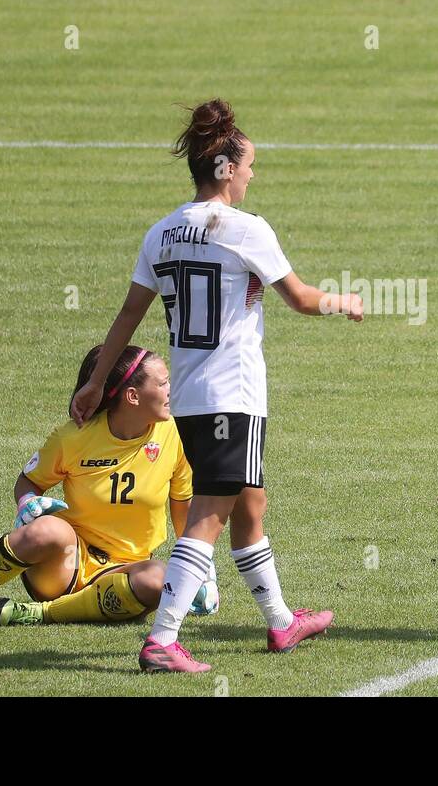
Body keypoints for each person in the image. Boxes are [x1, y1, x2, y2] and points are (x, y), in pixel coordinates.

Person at [70, 98, 363, 673]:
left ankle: (281, 622)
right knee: (210, 514)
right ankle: (163, 640)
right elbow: (301, 299)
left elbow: (129, 316)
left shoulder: (161, 233)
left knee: (249, 506)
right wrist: (344, 302)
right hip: (233, 393)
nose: (253, 174)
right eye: (249, 164)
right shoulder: (245, 230)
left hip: (188, 398)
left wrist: (97, 381)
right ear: (225, 169)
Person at [0, 345, 216, 628]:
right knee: (47, 529)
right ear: (133, 396)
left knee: (159, 577)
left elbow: (183, 507)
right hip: (65, 564)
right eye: (163, 383)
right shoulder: (73, 438)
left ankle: (40, 613)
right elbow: (29, 481)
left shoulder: (175, 435)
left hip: (125, 575)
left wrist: (201, 570)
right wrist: (27, 502)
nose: (171, 390)